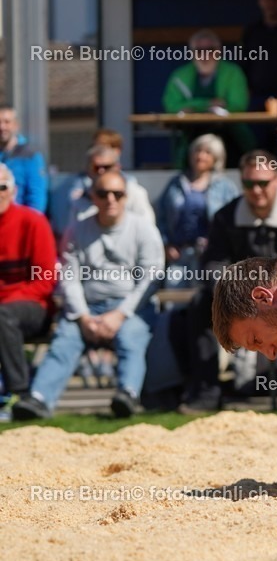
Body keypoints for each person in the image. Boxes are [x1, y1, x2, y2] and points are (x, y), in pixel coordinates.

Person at [12, 171, 165, 420]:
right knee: (65, 341)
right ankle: (38, 399)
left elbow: (150, 279)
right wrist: (82, 317)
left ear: (127, 197)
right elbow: (69, 278)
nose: (111, 199)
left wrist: (120, 314)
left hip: (131, 308)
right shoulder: (77, 230)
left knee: (132, 339)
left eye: (118, 194)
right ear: (93, 197)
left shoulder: (144, 230)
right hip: (87, 307)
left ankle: (127, 394)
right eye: (103, 193)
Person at [178, 150, 277, 413]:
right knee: (200, 306)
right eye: (248, 184)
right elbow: (212, 264)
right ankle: (206, 391)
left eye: (263, 183)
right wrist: (238, 295)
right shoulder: (226, 216)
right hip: (241, 299)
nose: (256, 190)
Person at [0, 164, 58, 419]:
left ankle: (19, 393)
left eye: (2, 187)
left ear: (13, 191)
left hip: (33, 306)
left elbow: (45, 279)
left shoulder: (33, 221)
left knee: (2, 317)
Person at [156, 134, 239, 288]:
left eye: (207, 152)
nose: (201, 156)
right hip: (179, 254)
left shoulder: (225, 186)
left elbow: (233, 220)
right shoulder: (176, 183)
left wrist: (219, 245)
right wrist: (166, 244)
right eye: (197, 151)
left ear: (216, 158)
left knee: (206, 301)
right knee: (174, 302)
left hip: (210, 257)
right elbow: (160, 217)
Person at [162, 29, 253, 166]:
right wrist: (206, 104)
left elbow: (239, 105)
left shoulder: (233, 72)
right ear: (192, 52)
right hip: (190, 132)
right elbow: (171, 106)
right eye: (199, 50)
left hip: (228, 132)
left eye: (209, 49)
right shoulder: (180, 75)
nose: (204, 54)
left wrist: (193, 105)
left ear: (218, 51)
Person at [66, 146, 156, 235]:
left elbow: (147, 228)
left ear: (118, 167)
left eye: (107, 167)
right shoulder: (81, 198)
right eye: (96, 167)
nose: (101, 171)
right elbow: (74, 234)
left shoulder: (134, 193)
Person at [0, 106, 48, 213]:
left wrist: (29, 222)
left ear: (16, 125)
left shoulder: (30, 155)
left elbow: (36, 195)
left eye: (7, 122)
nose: (2, 127)